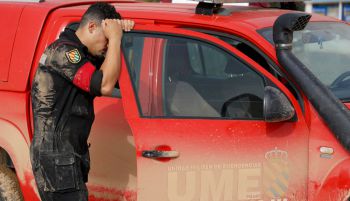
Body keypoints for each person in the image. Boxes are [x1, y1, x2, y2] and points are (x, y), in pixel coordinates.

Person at [30, 2, 134, 201]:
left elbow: (116, 75)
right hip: (56, 158)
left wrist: (120, 33)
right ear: (92, 27)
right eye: (106, 39)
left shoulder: (82, 54)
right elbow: (104, 85)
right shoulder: (64, 53)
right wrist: (116, 39)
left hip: (65, 156)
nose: (107, 46)